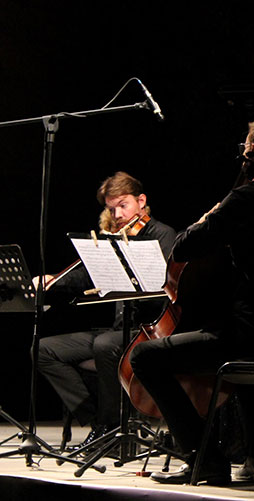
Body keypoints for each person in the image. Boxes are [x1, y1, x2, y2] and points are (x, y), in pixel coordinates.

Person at [129, 115, 254, 485]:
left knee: (144, 357)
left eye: (248, 145)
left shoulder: (245, 199)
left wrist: (211, 216)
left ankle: (205, 459)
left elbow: (184, 246)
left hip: (250, 337)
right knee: (243, 356)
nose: (244, 152)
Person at [37, 172, 176, 448]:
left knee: (104, 345)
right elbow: (86, 276)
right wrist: (53, 281)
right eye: (112, 208)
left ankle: (112, 428)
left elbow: (164, 289)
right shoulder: (113, 237)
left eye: (123, 205)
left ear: (141, 201)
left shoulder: (162, 234)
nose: (118, 213)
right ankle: (102, 423)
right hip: (116, 331)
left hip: (147, 330)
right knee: (42, 350)